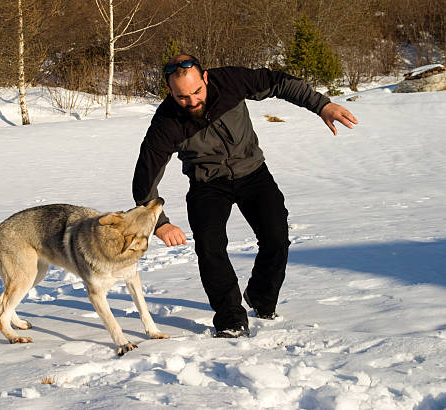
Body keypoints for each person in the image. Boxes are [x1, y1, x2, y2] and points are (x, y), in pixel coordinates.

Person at [132, 54, 358, 338]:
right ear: (170, 92)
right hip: (208, 184)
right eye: (182, 97)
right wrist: (160, 222)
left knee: (276, 236)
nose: (192, 101)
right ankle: (230, 318)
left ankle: (261, 298)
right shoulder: (167, 122)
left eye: (197, 92)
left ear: (205, 78)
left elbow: (278, 82)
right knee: (210, 247)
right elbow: (144, 179)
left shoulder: (231, 82)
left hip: (252, 173)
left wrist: (321, 105)